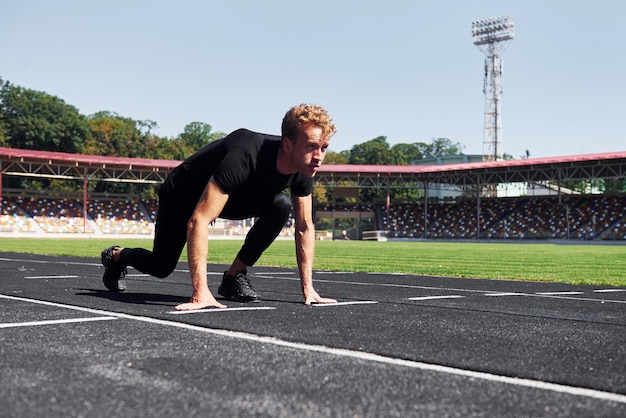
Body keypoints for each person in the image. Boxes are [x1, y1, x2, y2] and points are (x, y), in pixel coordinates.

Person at [100, 104, 338, 311]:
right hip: (183, 194)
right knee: (161, 266)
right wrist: (200, 292)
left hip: (233, 197)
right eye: (311, 146)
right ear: (288, 144)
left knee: (280, 205)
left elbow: (305, 227)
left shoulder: (304, 169)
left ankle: (234, 276)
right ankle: (116, 256)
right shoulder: (245, 154)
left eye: (324, 147)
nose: (319, 156)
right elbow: (199, 220)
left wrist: (309, 289)